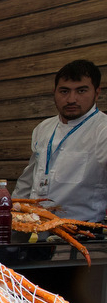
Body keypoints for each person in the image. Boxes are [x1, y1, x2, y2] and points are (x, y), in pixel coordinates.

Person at [13, 59, 107, 223]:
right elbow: (27, 181)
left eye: (81, 91)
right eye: (64, 91)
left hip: (81, 233)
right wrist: (10, 213)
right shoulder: (43, 128)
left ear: (97, 93)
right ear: (54, 92)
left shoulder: (103, 130)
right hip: (33, 227)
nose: (71, 99)